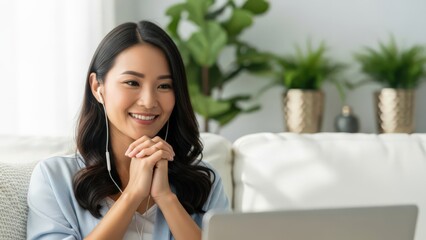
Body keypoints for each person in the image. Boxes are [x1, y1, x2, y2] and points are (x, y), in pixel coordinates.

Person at [26, 20, 230, 240]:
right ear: (97, 87)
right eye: (132, 83)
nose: (149, 101)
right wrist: (132, 195)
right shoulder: (54, 178)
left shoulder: (204, 182)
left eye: (164, 86)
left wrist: (166, 198)